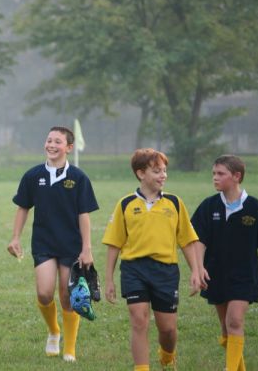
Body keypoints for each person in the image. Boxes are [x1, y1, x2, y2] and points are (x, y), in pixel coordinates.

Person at [102, 148, 201, 371]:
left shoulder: (174, 203)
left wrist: (195, 271)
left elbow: (187, 241)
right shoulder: (126, 204)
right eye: (157, 171)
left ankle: (167, 354)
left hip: (165, 270)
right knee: (139, 320)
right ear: (140, 174)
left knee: (167, 329)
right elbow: (114, 243)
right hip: (134, 269)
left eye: (165, 171)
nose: (163, 175)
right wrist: (108, 280)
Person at [7, 126, 99, 363]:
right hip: (44, 242)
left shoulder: (78, 178)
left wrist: (86, 248)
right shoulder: (32, 175)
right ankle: (53, 331)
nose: (51, 145)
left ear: (68, 147)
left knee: (68, 296)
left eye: (57, 141)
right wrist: (15, 237)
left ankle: (69, 348)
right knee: (45, 293)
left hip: (71, 245)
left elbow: (84, 215)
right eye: (49, 140)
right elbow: (23, 208)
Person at [191, 154, 258, 371]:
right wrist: (199, 267)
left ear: (236, 176)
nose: (215, 178)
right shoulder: (209, 205)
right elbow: (198, 240)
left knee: (235, 322)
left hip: (244, 276)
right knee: (226, 331)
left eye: (220, 174)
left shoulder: (253, 207)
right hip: (214, 275)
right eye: (214, 173)